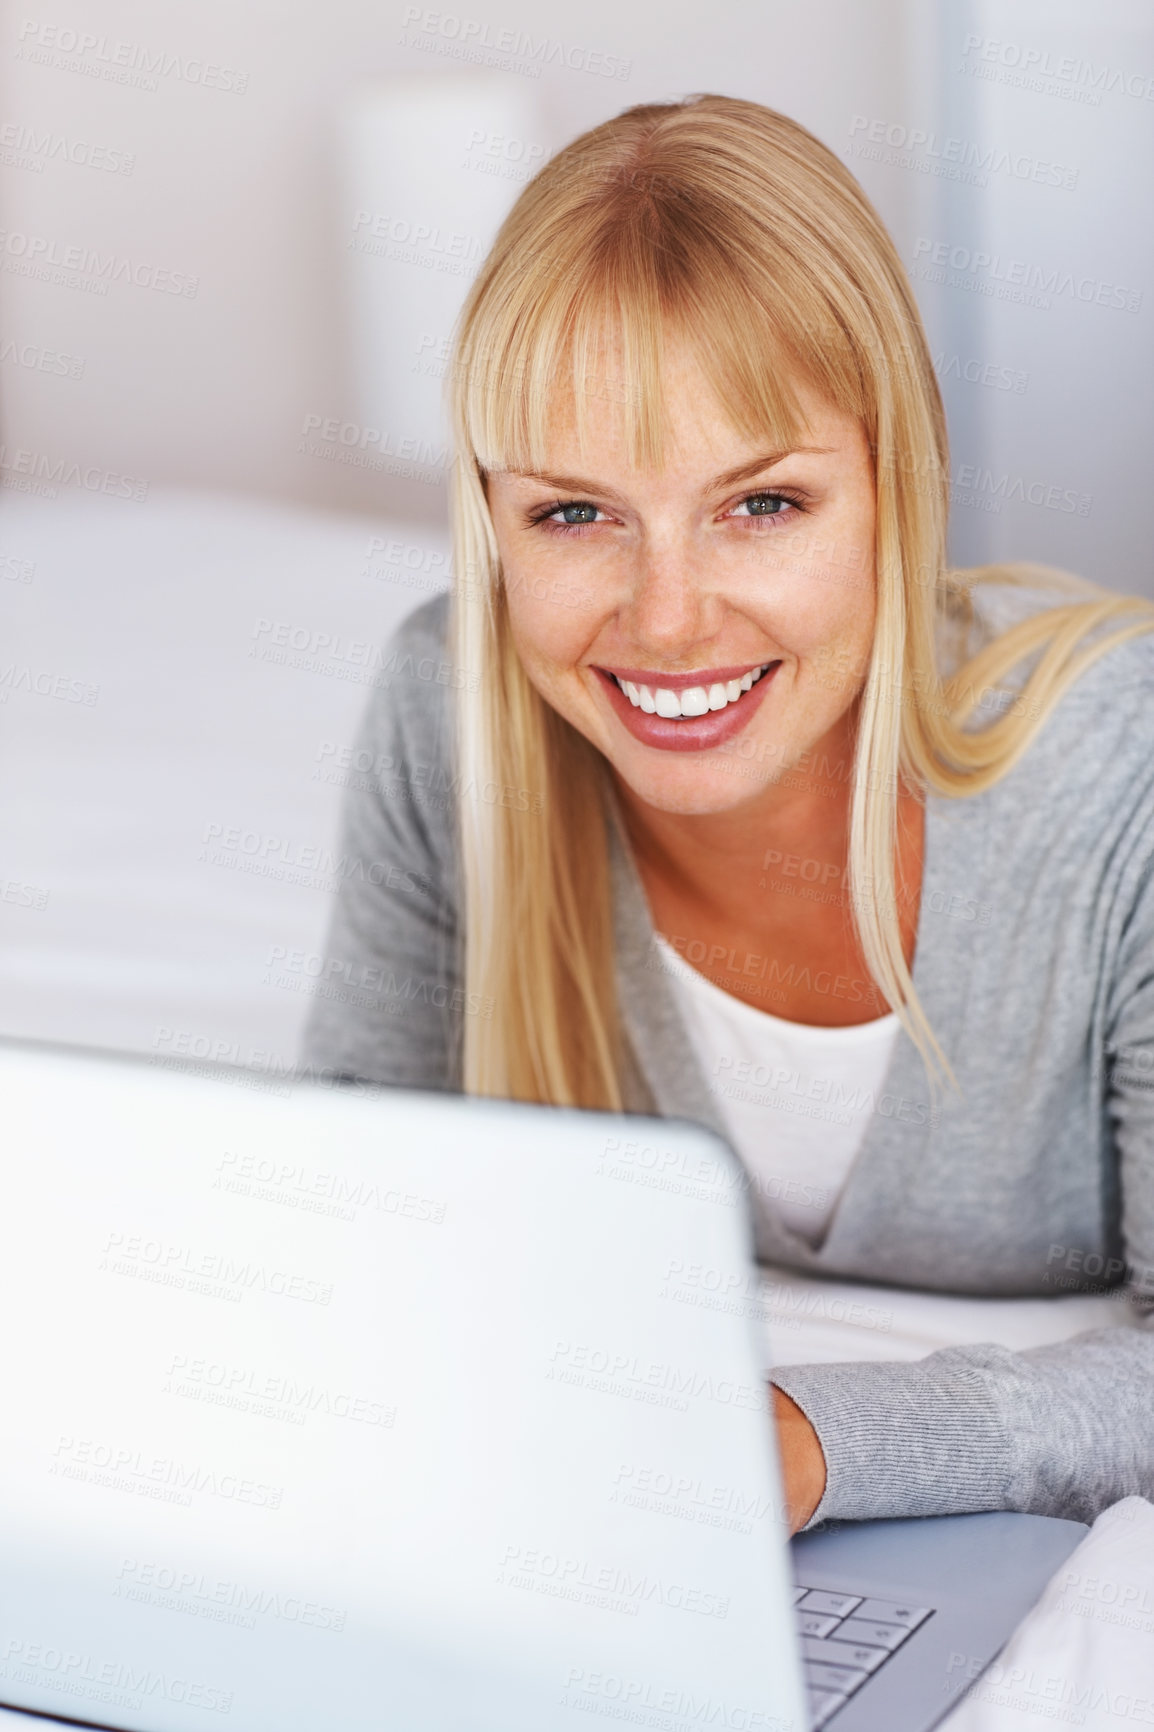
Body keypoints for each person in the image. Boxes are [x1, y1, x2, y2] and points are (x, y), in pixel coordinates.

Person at [302, 94, 1154, 1534]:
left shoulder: (1118, 775)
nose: (667, 618)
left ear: (895, 488)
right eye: (574, 515)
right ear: (491, 520)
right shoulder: (447, 711)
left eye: (760, 505)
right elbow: (348, 1225)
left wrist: (816, 1446)